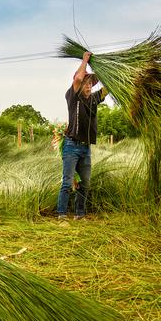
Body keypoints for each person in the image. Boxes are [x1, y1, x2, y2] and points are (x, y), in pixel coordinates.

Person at [57, 51, 108, 220]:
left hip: (85, 149)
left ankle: (79, 215)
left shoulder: (93, 99)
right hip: (71, 147)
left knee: (84, 184)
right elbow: (78, 79)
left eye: (90, 84)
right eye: (85, 83)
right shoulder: (73, 97)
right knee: (67, 182)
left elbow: (107, 89)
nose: (88, 86)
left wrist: (110, 72)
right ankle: (62, 215)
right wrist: (85, 60)